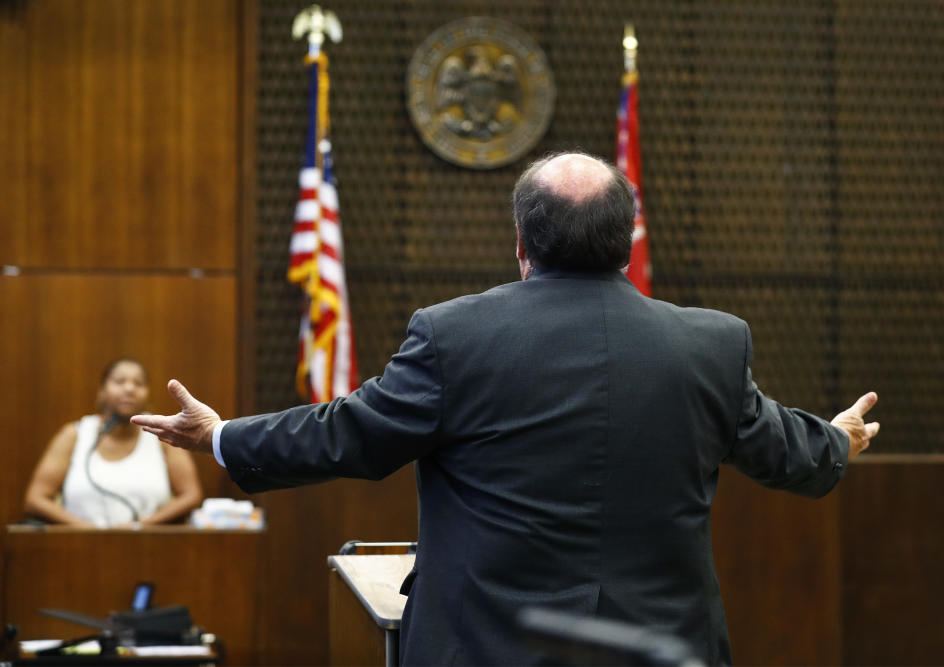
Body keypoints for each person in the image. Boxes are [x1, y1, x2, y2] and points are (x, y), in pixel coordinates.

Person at [133, 152, 879, 665]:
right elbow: (788, 452)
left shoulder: (455, 335)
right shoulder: (713, 344)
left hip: (487, 647)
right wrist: (839, 439)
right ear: (627, 242)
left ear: (521, 242)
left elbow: (350, 436)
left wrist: (223, 435)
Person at [25, 358, 203, 528]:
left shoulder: (162, 434)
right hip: (79, 546)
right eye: (119, 381)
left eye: (139, 383)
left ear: (147, 394)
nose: (129, 388)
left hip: (148, 547)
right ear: (101, 391)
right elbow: (35, 499)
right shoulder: (74, 435)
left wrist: (140, 527)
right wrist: (88, 531)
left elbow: (191, 495)